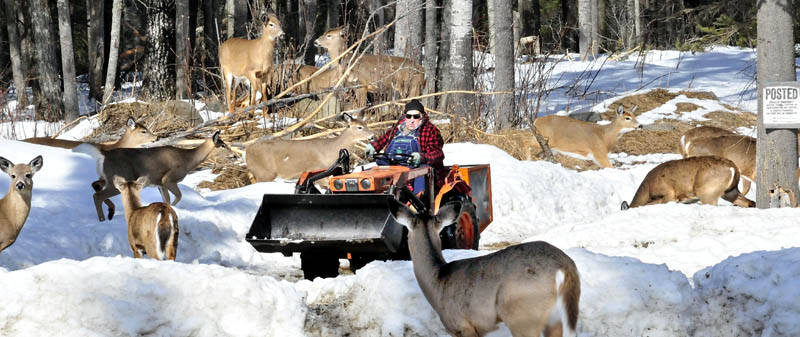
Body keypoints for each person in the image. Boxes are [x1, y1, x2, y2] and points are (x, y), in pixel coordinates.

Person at [365, 99, 446, 193]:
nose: (412, 120)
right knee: (378, 166)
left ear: (422, 117)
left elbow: (438, 154)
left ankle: (417, 201)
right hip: (395, 166)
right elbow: (383, 139)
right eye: (409, 116)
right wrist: (373, 147)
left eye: (416, 117)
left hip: (416, 169)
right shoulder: (398, 129)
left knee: (422, 170)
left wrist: (422, 157)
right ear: (405, 117)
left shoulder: (429, 130)